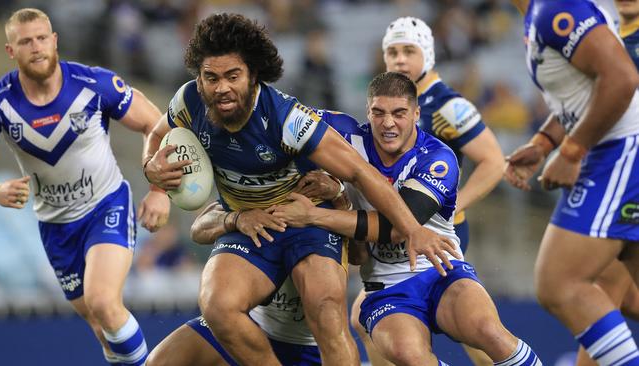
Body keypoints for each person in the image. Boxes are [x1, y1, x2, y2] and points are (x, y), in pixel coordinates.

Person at [142, 13, 459, 365]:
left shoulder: (286, 119)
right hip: (253, 224)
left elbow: (360, 172)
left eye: (233, 76)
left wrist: (413, 228)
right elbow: (157, 137)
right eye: (211, 78)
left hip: (304, 222)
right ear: (198, 79)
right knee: (217, 307)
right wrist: (152, 173)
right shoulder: (188, 103)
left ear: (253, 76)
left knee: (325, 309)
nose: (222, 88)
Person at [271, 71, 541, 366]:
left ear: (416, 114)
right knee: (409, 356)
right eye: (379, 113)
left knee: (489, 332)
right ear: (367, 111)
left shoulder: (438, 159)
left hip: (442, 272)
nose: (388, 123)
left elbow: (396, 228)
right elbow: (279, 114)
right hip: (386, 287)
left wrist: (313, 216)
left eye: (399, 113)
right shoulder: (347, 135)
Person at [0, 8, 170, 366]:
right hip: (55, 226)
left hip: (106, 206)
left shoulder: (94, 84)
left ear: (55, 41)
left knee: (104, 301)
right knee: (101, 327)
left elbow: (157, 123)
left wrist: (159, 190)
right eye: (26, 41)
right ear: (11, 51)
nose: (36, 47)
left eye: (42, 38)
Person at [350, 16, 505, 366]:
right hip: (400, 219)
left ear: (428, 55)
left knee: (474, 332)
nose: (400, 60)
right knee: (363, 317)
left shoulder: (448, 105)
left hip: (430, 228)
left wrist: (451, 206)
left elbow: (495, 162)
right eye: (392, 52)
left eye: (409, 51)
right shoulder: (392, 103)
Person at [505, 0, 639, 364]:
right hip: (616, 149)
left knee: (560, 282)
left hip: (618, 151)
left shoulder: (556, 8)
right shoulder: (540, 13)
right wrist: (544, 143)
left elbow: (622, 79)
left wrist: (572, 151)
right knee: (621, 295)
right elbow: (585, 93)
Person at [148, 170, 353, 366]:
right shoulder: (257, 196)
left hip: (310, 344)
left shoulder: (329, 199)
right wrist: (235, 219)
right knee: (160, 361)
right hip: (253, 328)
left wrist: (341, 199)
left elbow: (359, 255)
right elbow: (199, 228)